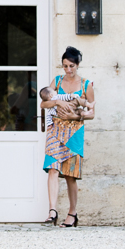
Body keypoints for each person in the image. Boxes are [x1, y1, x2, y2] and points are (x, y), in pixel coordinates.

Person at [39, 46, 95, 227]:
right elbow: (43, 102)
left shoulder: (86, 85)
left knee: (70, 175)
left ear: (77, 65)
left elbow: (92, 112)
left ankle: (72, 213)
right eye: (65, 66)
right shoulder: (56, 81)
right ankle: (52, 211)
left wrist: (76, 115)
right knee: (53, 169)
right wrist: (56, 101)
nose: (68, 70)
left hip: (74, 133)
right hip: (56, 130)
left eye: (71, 66)